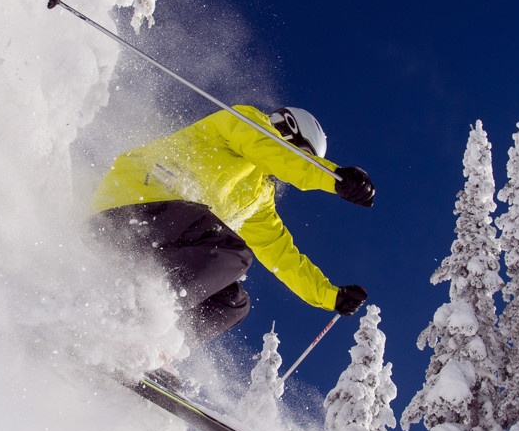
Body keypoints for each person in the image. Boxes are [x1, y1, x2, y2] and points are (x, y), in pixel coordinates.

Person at [89, 105, 374, 351]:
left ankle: (153, 350)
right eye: (301, 155)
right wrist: (331, 177)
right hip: (135, 206)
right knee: (229, 251)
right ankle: (127, 318)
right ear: (286, 130)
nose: (286, 171)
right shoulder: (245, 122)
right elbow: (271, 151)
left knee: (233, 302)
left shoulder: (258, 196)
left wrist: (330, 295)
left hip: (165, 238)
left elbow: (281, 254)